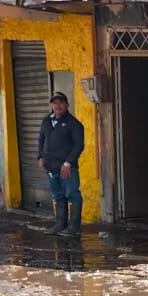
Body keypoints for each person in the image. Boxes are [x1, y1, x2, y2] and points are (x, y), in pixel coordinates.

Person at [37, 92, 85, 236]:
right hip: (51, 167)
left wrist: (68, 163)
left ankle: (74, 227)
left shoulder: (73, 124)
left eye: (61, 103)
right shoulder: (46, 121)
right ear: (51, 105)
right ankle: (60, 224)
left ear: (66, 105)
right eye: (55, 103)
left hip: (67, 168)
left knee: (72, 194)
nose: (57, 106)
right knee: (58, 196)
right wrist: (40, 157)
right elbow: (41, 140)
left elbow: (78, 145)